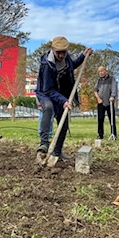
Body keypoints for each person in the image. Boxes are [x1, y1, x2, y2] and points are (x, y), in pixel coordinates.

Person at [34, 36, 92, 164]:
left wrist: (83, 55)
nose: (61, 55)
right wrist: (63, 100)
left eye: (63, 52)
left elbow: (73, 65)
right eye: (58, 52)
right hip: (46, 93)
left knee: (64, 124)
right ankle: (44, 144)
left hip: (62, 94)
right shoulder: (46, 65)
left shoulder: (66, 58)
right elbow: (48, 89)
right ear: (52, 49)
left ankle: (57, 152)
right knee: (48, 108)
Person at [94, 66, 118, 140]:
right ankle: (100, 135)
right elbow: (95, 90)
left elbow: (114, 88)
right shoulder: (99, 80)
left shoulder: (112, 79)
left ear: (105, 71)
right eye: (99, 72)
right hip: (101, 102)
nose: (101, 73)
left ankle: (113, 134)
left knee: (112, 119)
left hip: (109, 102)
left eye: (102, 71)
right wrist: (98, 98)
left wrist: (113, 96)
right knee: (100, 119)